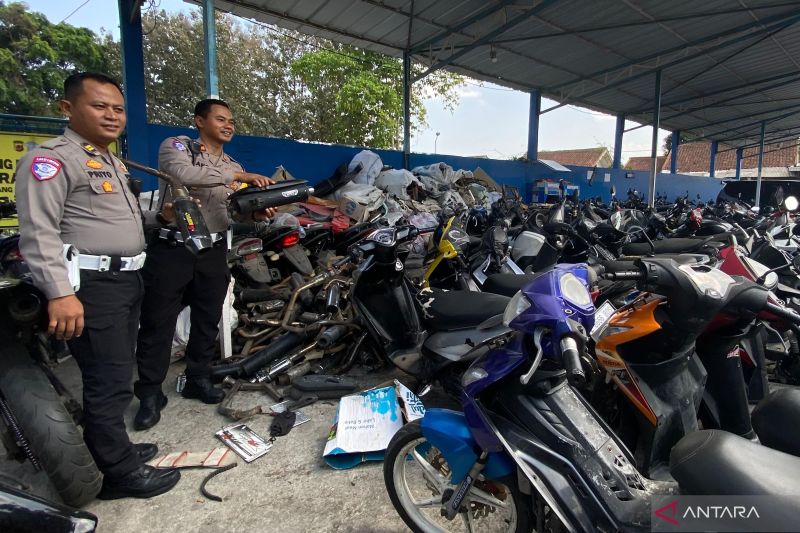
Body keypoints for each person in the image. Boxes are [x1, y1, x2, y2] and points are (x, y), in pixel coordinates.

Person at [15, 72, 180, 499]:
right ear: (68, 109)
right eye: (99, 105)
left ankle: (110, 450)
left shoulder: (109, 160)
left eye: (118, 108)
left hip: (125, 279)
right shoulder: (50, 160)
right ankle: (118, 474)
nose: (112, 115)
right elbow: (38, 232)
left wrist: (157, 220)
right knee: (108, 378)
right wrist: (60, 293)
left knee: (117, 370)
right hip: (90, 285)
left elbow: (112, 219)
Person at [134, 98, 275, 430]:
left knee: (208, 318)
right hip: (173, 249)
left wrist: (255, 211)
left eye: (232, 121)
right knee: (159, 323)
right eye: (221, 119)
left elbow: (232, 209)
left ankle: (198, 377)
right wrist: (240, 175)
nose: (228, 125)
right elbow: (183, 176)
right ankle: (150, 394)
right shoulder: (178, 148)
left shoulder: (232, 162)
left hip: (212, 250)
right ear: (199, 121)